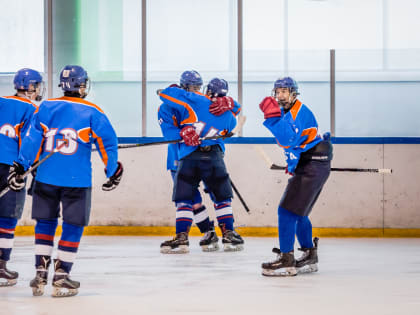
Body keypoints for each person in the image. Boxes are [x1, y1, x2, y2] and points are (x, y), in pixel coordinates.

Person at [7, 65, 123, 297]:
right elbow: (107, 143)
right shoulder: (93, 111)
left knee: (45, 223)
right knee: (73, 225)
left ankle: (40, 273)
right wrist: (112, 171)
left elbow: (31, 138)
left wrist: (22, 164)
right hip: (76, 181)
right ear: (81, 86)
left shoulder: (46, 106)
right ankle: (61, 277)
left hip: (46, 178)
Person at [158, 70, 244, 254]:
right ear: (183, 88)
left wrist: (230, 103)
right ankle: (210, 232)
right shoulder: (169, 107)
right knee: (193, 199)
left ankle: (198, 235)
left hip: (193, 155)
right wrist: (181, 134)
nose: (195, 90)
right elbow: (168, 132)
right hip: (179, 155)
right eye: (192, 87)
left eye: (198, 87)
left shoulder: (202, 103)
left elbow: (233, 112)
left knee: (202, 196)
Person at [258, 77, 332, 276]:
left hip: (312, 165)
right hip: (312, 164)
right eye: (278, 91)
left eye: (285, 91)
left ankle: (286, 259)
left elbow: (288, 139)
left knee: (286, 212)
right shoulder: (288, 111)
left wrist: (272, 119)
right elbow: (295, 145)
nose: (280, 95)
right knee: (298, 213)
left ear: (294, 94)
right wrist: (293, 163)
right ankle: (309, 255)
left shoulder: (298, 112)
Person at [0, 68, 44, 286]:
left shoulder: (1, 102)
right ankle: (0, 267)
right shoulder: (32, 108)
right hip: (12, 166)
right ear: (33, 88)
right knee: (7, 217)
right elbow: (30, 141)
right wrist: (30, 167)